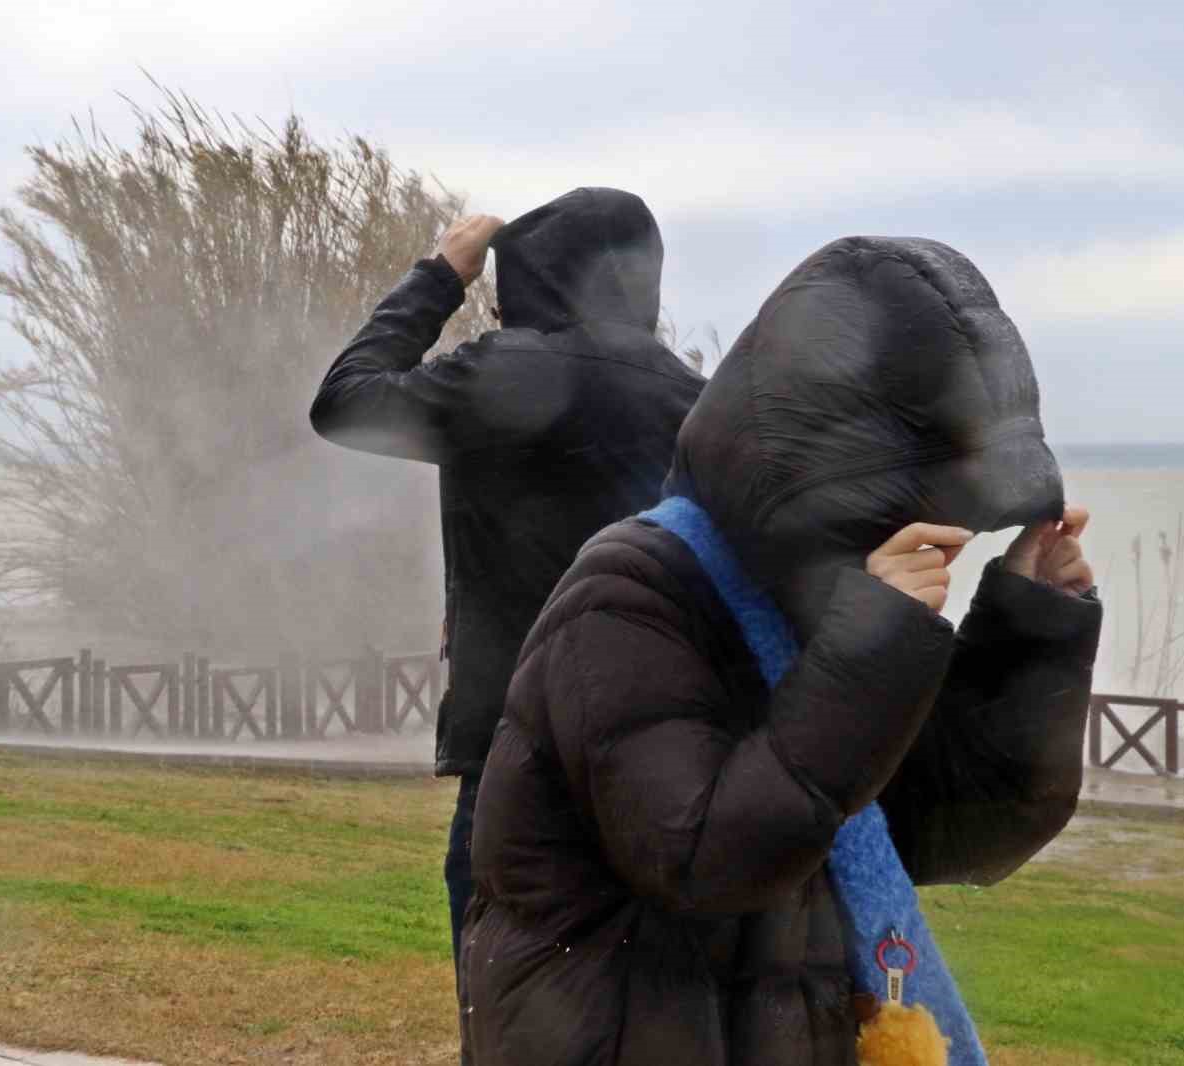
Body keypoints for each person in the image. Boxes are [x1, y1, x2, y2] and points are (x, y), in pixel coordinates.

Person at [460, 237, 1102, 1065]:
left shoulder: (810, 608)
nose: (936, 554)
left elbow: (958, 832)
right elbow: (705, 858)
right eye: (920, 524)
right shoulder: (625, 600)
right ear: (827, 494)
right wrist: (873, 649)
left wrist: (1030, 627)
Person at [309, 188, 705, 1021]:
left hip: (518, 753)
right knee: (647, 1015)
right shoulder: (696, 400)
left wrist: (441, 274)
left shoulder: (508, 372)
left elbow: (346, 401)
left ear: (535, 279)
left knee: (508, 1005)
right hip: (665, 759)